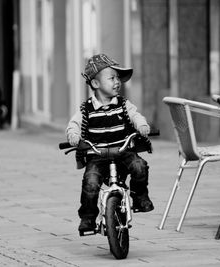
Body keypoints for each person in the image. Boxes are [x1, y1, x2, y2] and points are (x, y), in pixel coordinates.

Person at [66, 54, 154, 232]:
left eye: (118, 78)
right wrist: (74, 136)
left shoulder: (123, 104)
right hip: (97, 156)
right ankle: (88, 218)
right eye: (112, 78)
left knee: (139, 166)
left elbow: (135, 115)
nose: (117, 82)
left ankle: (140, 197)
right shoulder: (86, 109)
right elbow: (73, 125)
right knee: (90, 183)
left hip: (122, 152)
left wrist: (142, 125)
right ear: (96, 84)